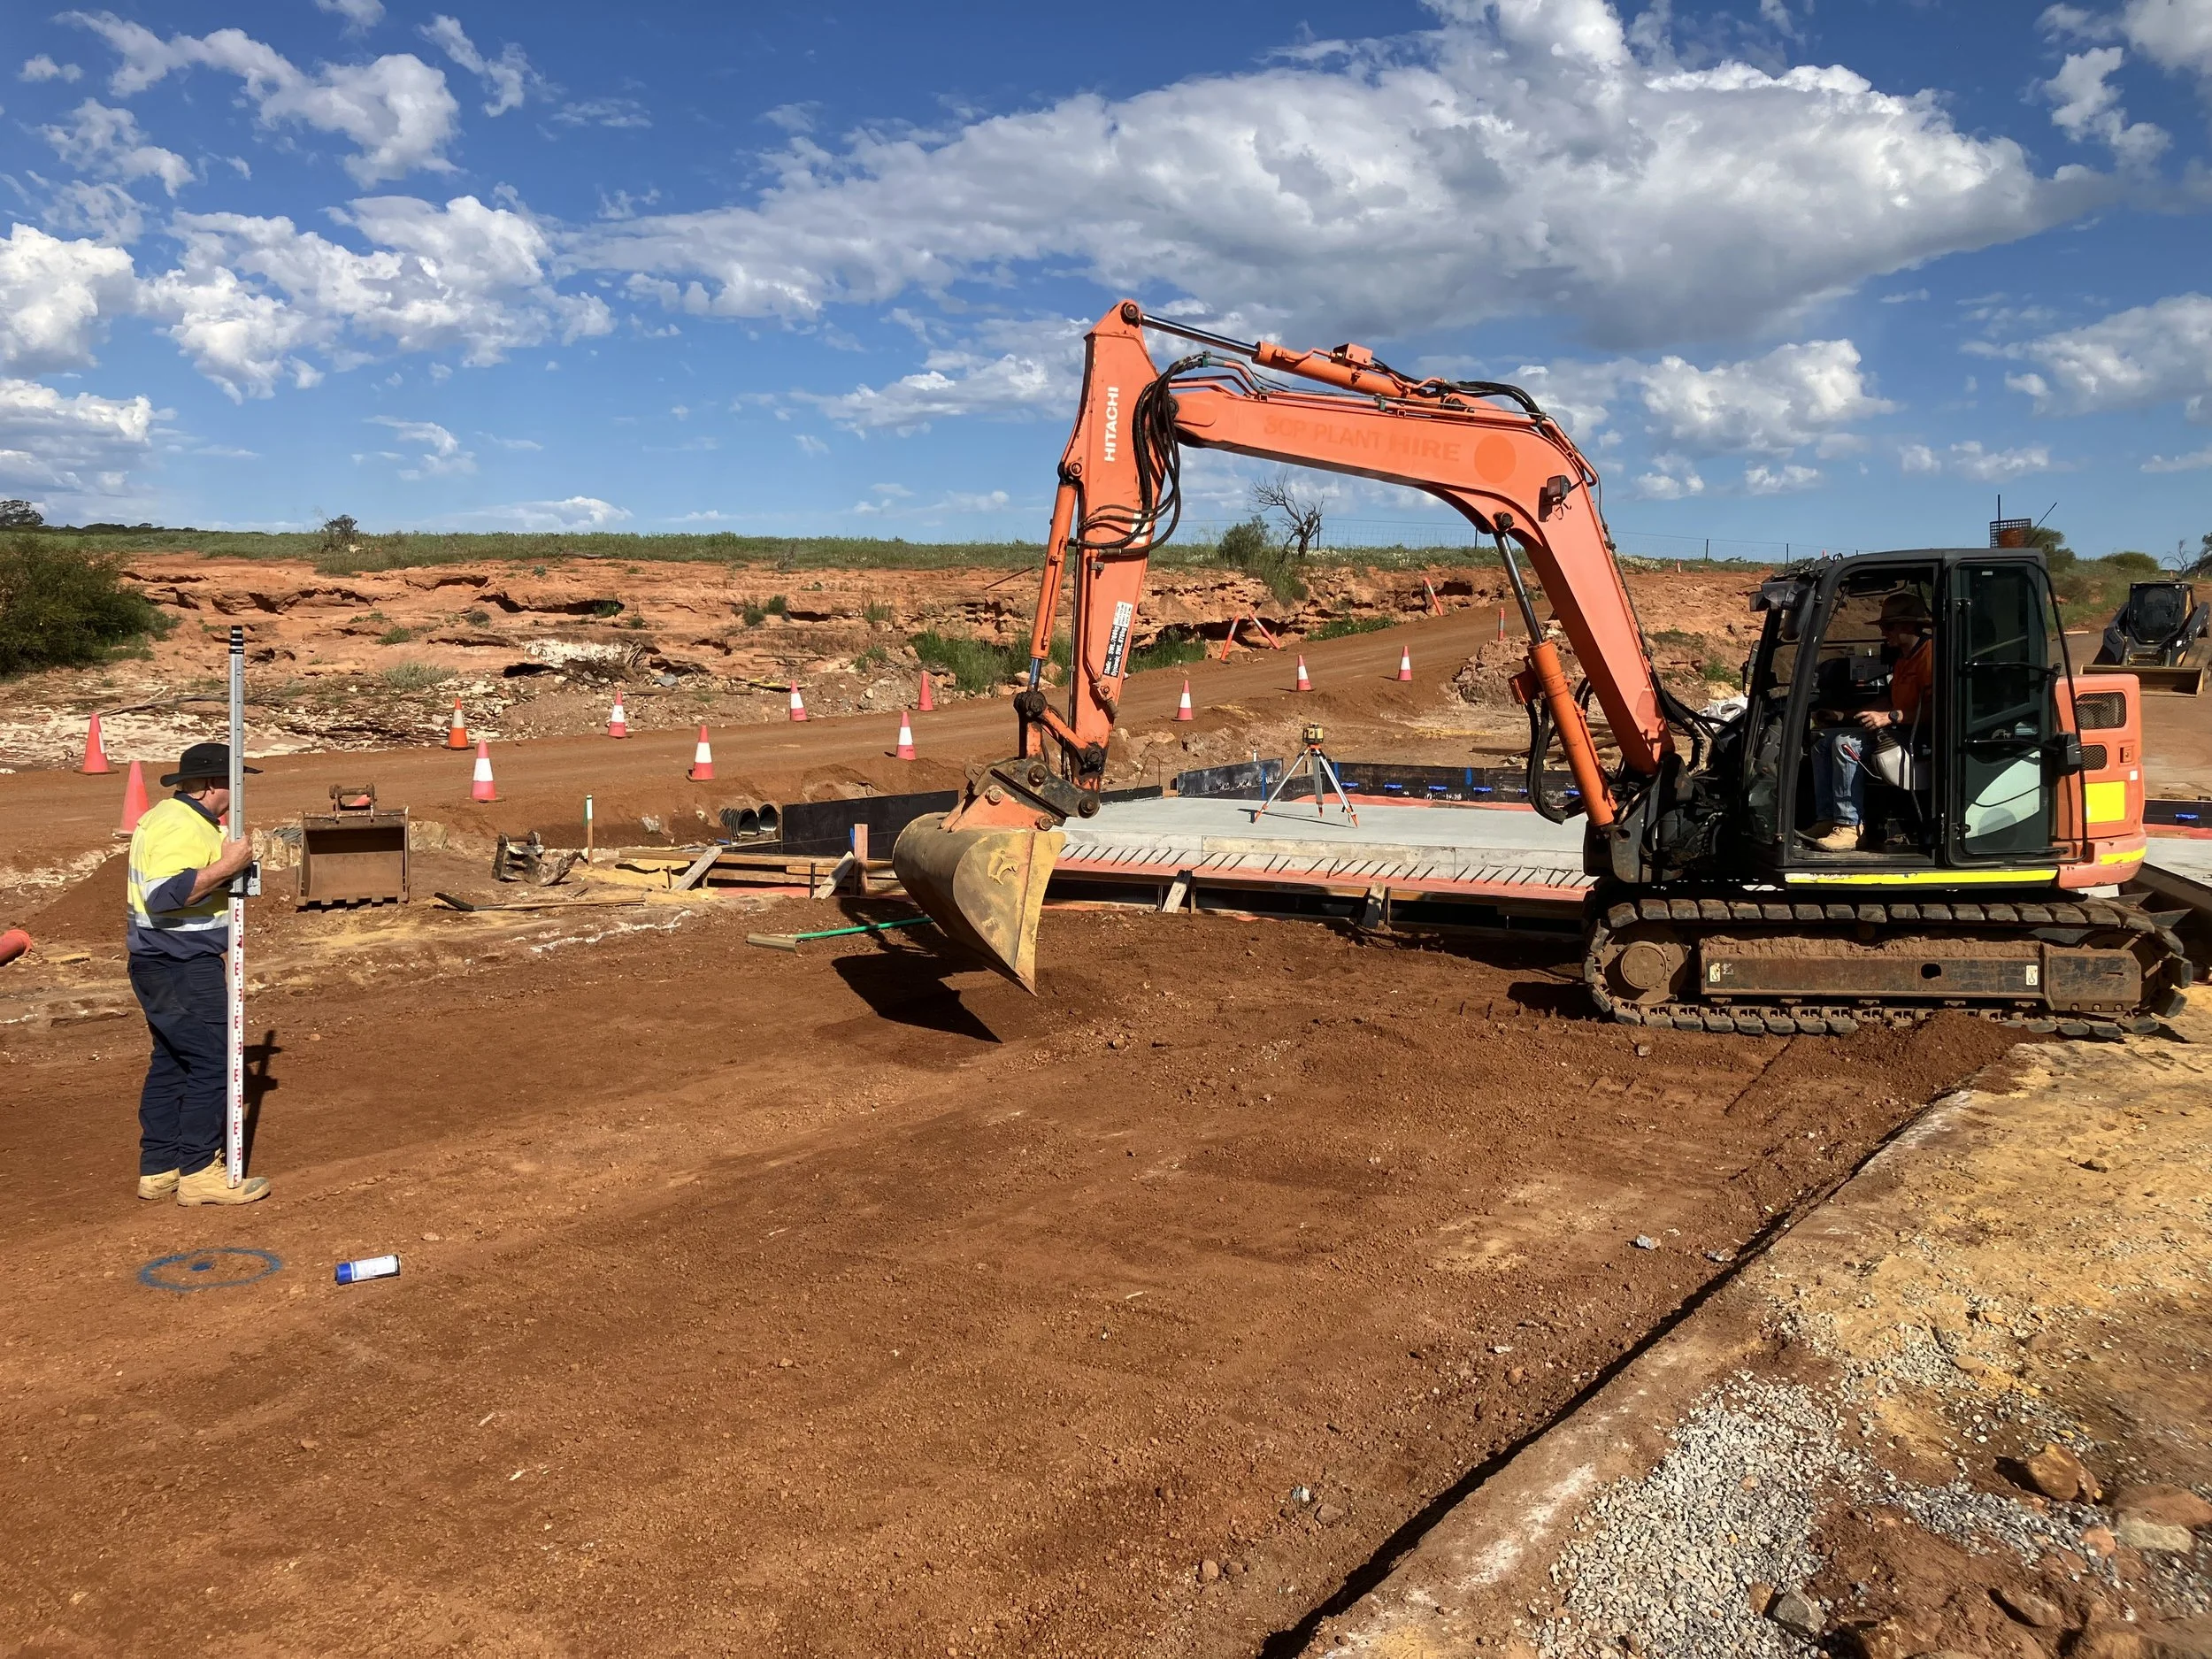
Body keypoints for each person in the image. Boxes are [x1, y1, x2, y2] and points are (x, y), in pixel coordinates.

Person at [126, 742, 269, 1205]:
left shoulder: (181, 820)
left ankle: (160, 1166)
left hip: (162, 963)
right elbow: (166, 895)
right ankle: (198, 1171)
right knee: (215, 1060)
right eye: (233, 781)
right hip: (180, 965)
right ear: (210, 785)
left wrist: (233, 873)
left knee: (172, 1060)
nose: (239, 791)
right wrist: (229, 865)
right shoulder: (178, 824)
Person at [1805, 592, 1934, 852]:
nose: (1884, 633)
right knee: (1822, 741)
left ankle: (1850, 826)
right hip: (1902, 728)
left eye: (1888, 626)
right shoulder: (1903, 658)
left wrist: (1890, 717)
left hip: (1922, 735)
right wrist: (1845, 716)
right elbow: (1890, 699)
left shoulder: (1930, 655)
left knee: (1844, 744)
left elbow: (1937, 708)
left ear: (1908, 625)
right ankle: (1827, 818)